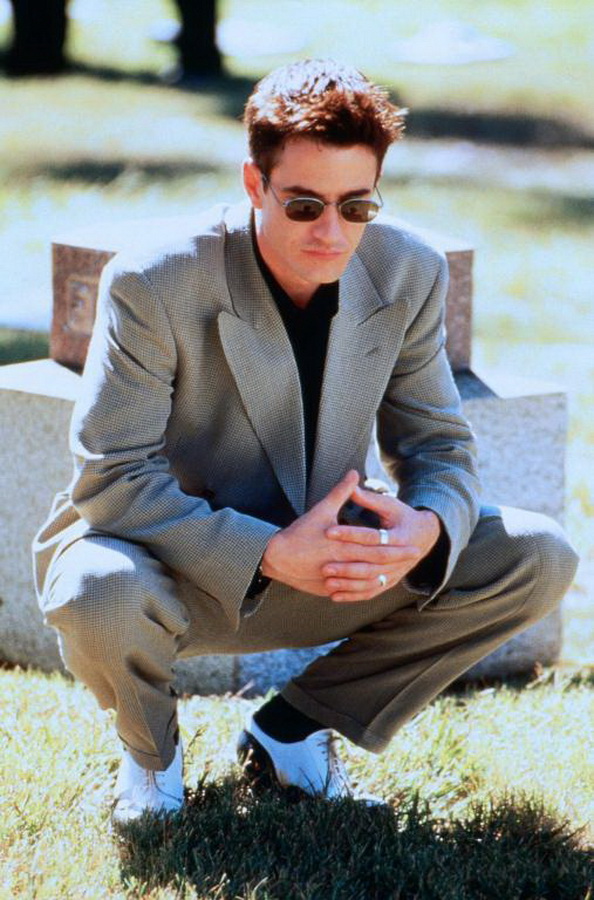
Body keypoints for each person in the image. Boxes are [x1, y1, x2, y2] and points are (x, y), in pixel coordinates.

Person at [33, 58, 578, 825]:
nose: (332, 232)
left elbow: (439, 447)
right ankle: (152, 762)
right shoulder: (152, 280)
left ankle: (290, 732)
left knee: (536, 555)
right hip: (175, 566)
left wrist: (426, 526)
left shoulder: (410, 270)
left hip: (332, 567)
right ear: (253, 184)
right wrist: (265, 551)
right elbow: (111, 477)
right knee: (97, 589)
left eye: (357, 206)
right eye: (303, 205)